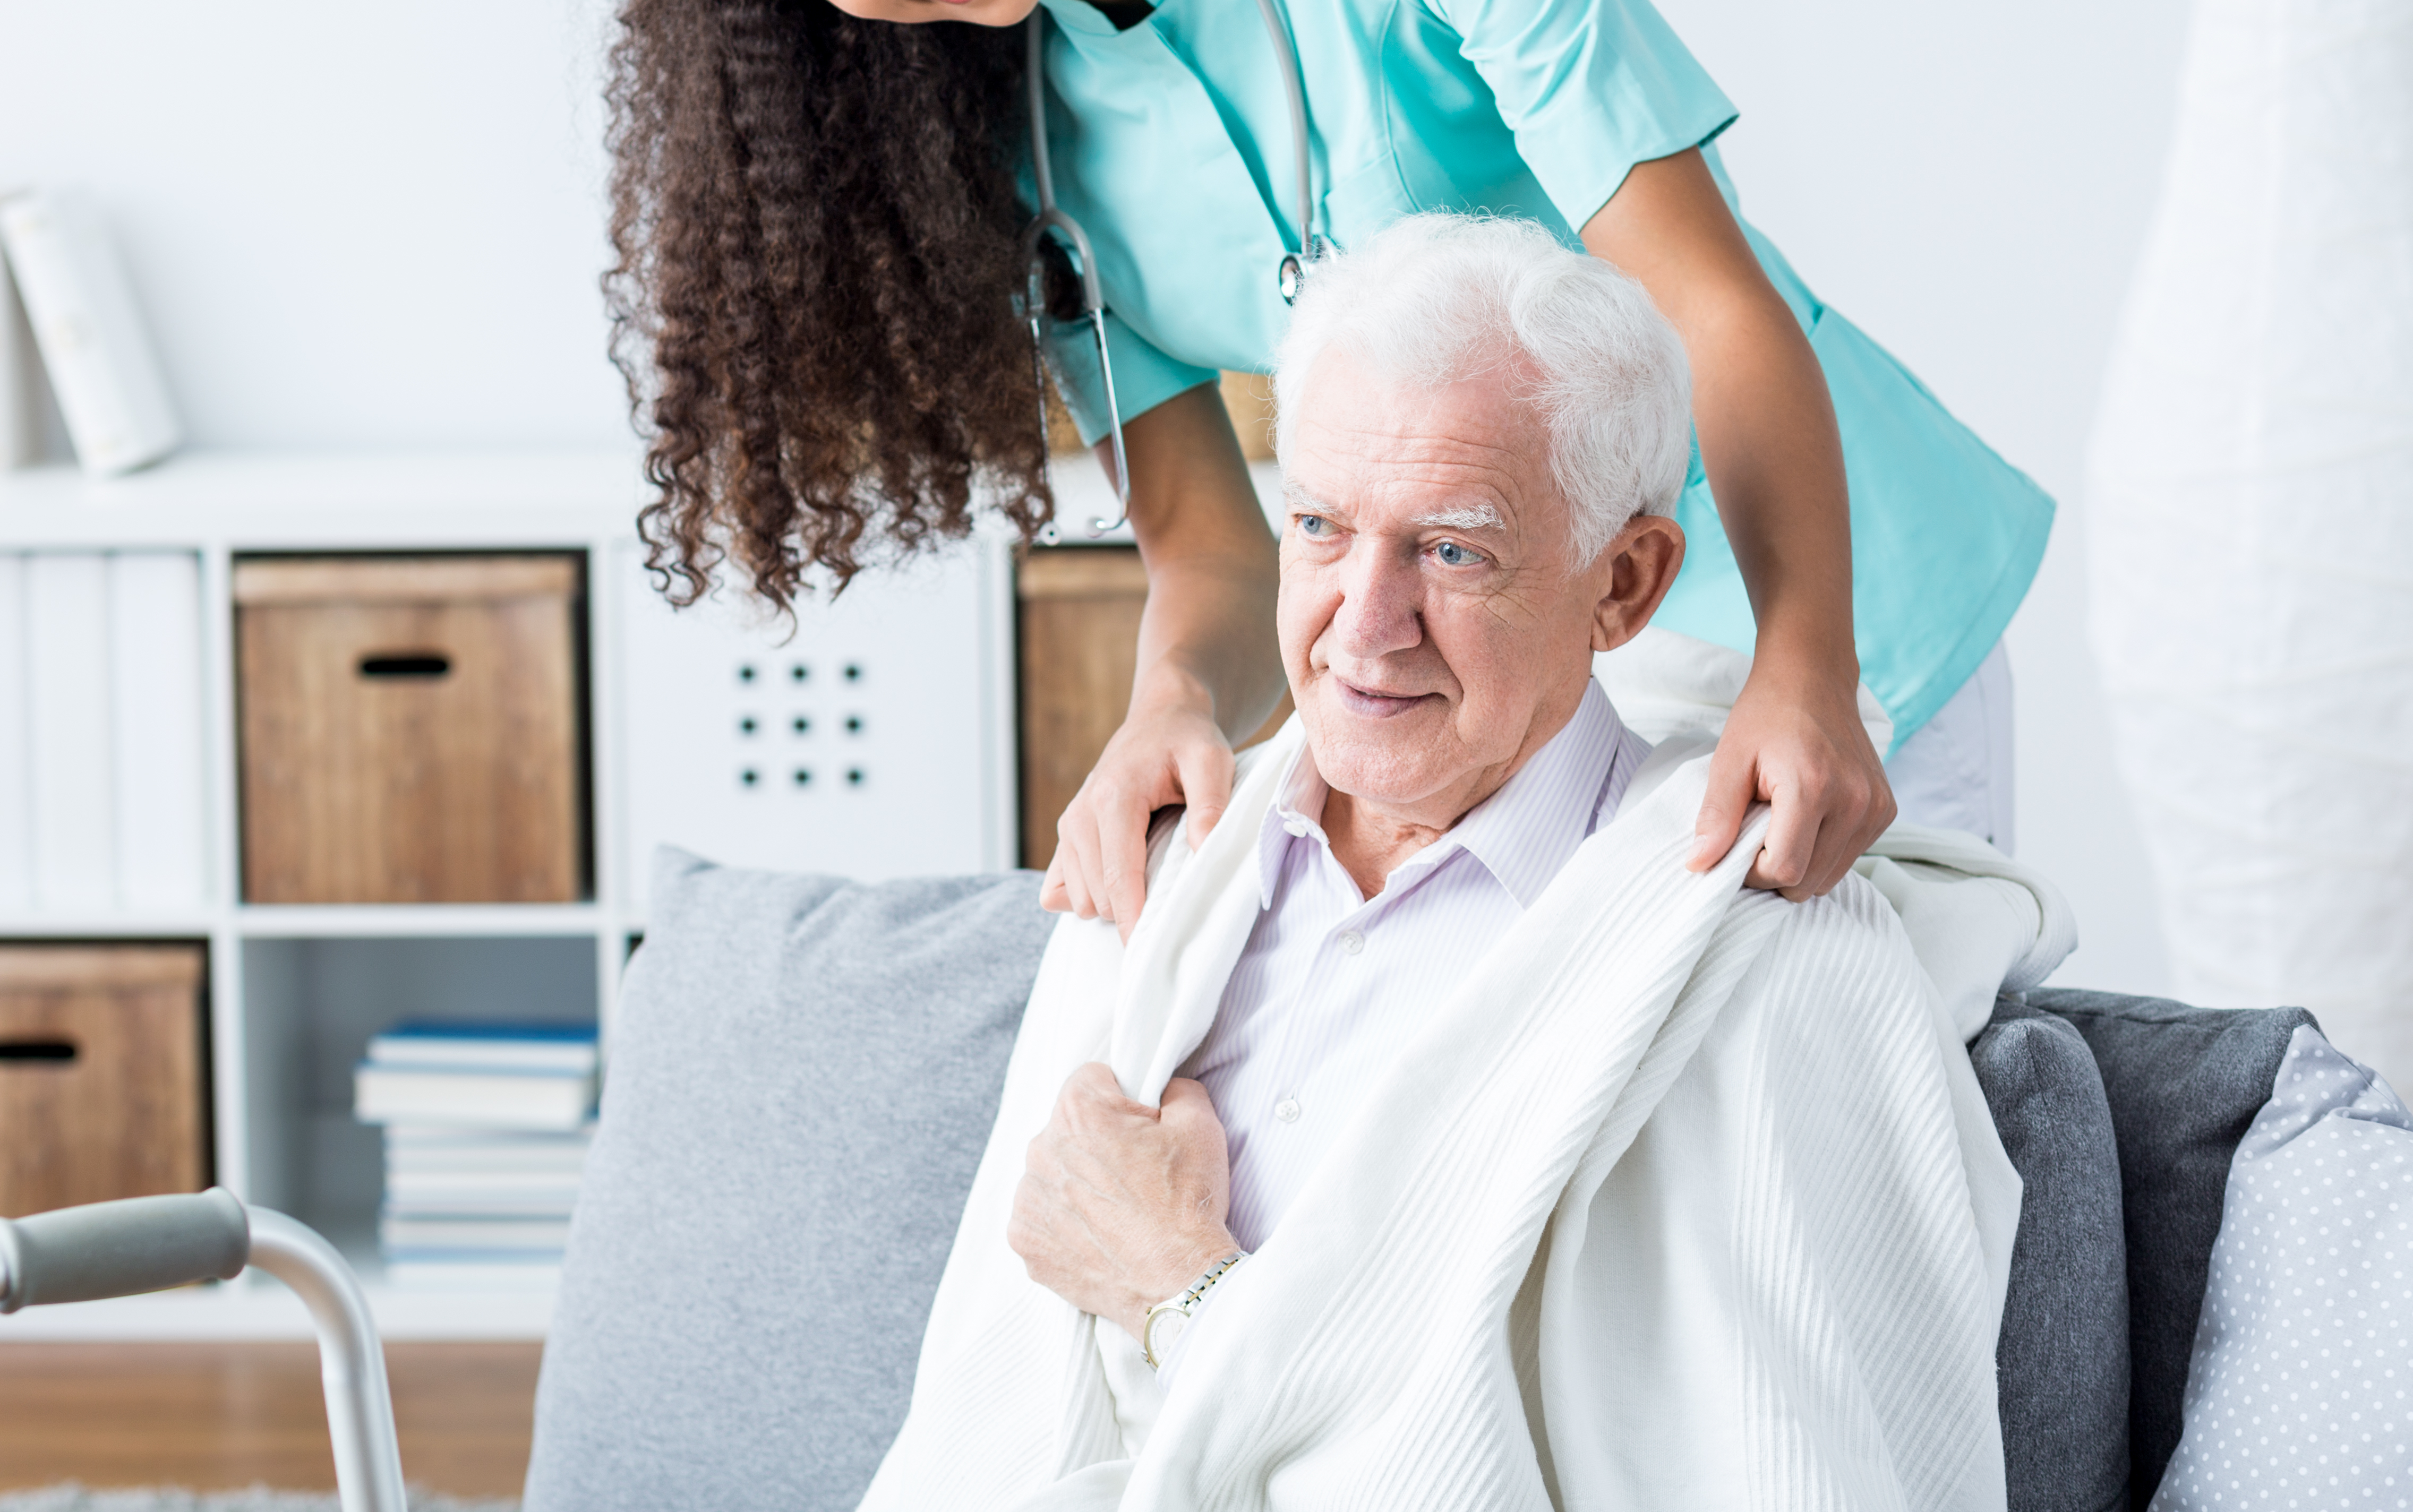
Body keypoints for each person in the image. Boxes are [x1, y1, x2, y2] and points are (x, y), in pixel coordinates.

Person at [544, 0, 2051, 933]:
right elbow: (1211, 549)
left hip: (1828, 608)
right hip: (1524, 705)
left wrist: (1806, 656)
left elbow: (1708, 302)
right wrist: (1171, 712)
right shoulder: (1011, 157)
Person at [857, 213, 2061, 1509]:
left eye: (1452, 551)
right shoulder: (1155, 882)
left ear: (1627, 587)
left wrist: (1181, 1294)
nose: (1363, 628)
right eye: (1320, 526)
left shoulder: (1773, 970)